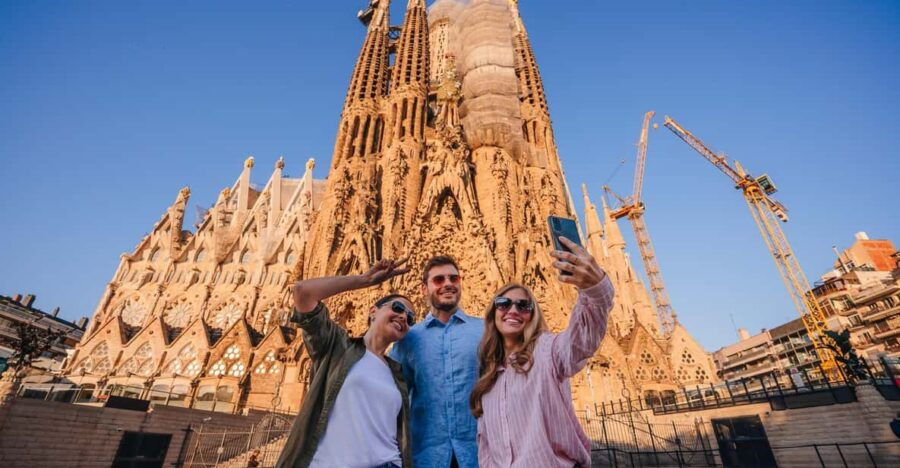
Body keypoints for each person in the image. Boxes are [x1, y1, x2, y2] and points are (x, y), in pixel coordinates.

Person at [470, 236, 614, 467]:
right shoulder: (488, 382)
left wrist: (593, 287)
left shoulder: (549, 352)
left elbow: (583, 339)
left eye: (523, 305)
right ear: (493, 313)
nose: (513, 310)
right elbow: (486, 449)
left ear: (532, 315)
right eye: (503, 303)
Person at [276, 259, 416, 468]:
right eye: (397, 307)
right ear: (373, 311)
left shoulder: (398, 374)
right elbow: (303, 292)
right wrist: (364, 280)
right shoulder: (337, 347)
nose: (404, 316)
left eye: (411, 318)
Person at [390, 255, 482, 468]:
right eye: (439, 280)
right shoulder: (409, 338)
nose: (448, 284)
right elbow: (393, 397)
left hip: (478, 455)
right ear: (424, 288)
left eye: (454, 278)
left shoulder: (485, 330)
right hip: (427, 457)